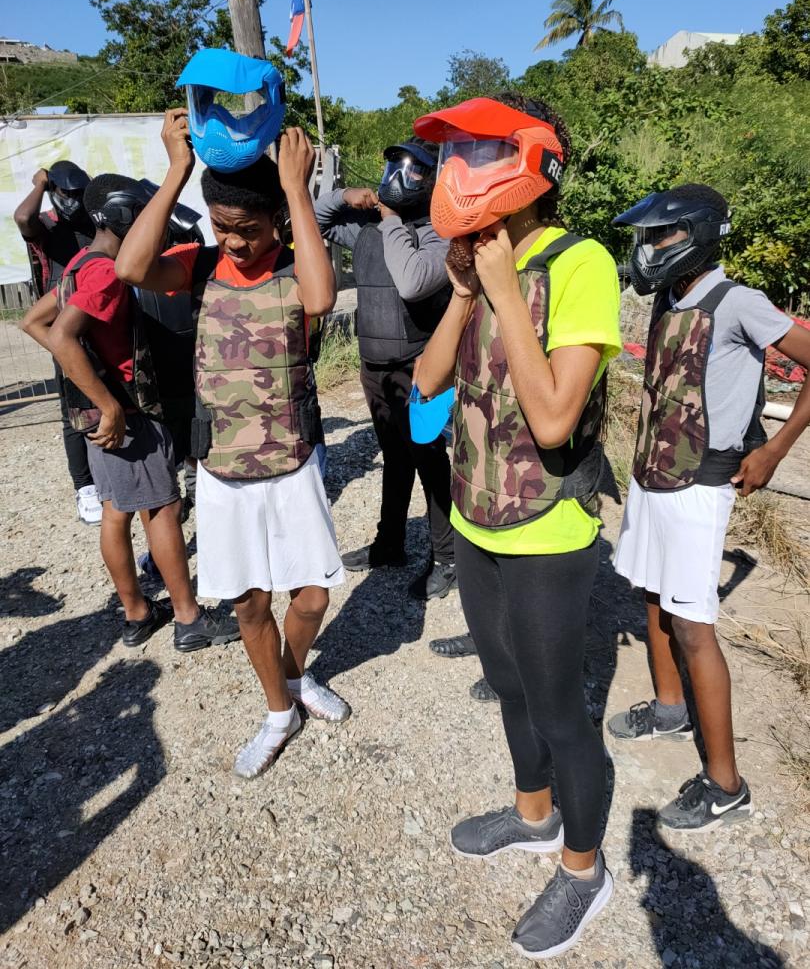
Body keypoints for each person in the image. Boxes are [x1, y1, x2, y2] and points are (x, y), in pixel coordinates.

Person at [415, 93, 621, 959]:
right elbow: (429, 382)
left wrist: (502, 292)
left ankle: (583, 870)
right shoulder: (481, 266)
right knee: (506, 684)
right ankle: (534, 816)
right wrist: (466, 294)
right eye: (456, 153)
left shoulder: (582, 263)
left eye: (481, 151)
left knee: (559, 709)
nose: (460, 168)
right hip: (478, 519)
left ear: (536, 163)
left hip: (546, 529)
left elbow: (554, 420)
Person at [116, 112, 350, 779]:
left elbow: (321, 297)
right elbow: (130, 266)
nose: (236, 241)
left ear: (277, 219)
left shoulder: (296, 263)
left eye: (249, 228)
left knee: (312, 597)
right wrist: (176, 172)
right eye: (223, 227)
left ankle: (294, 676)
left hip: (292, 464)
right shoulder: (201, 267)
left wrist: (296, 189)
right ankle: (278, 712)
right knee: (249, 603)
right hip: (223, 471)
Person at [608, 183, 810, 832]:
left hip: (700, 486)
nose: (650, 248)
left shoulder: (738, 302)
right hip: (652, 477)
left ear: (696, 235)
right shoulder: (670, 297)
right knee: (651, 595)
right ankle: (671, 709)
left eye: (661, 235)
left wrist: (774, 449)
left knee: (694, 626)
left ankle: (726, 784)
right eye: (647, 237)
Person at [20, 174, 240, 654]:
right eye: (144, 213)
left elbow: (34, 320)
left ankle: (137, 613)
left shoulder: (81, 261)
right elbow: (59, 335)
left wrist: (88, 378)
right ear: (122, 215)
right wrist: (108, 402)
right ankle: (189, 620)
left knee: (115, 511)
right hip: (128, 414)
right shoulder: (106, 272)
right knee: (162, 510)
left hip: (98, 418)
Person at [315, 138, 456, 600]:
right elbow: (315, 219)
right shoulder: (369, 229)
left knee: (430, 462)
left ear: (431, 180)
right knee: (395, 458)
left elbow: (413, 283)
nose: (399, 175)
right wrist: (344, 195)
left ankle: (447, 559)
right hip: (373, 366)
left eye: (413, 169)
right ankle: (389, 545)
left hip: (419, 368)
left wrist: (392, 219)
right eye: (395, 165)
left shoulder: (438, 233)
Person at [14, 161, 101, 524]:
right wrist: (40, 184)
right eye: (66, 193)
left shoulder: (95, 223)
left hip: (99, 318)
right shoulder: (46, 227)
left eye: (78, 194)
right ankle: (85, 486)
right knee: (73, 407)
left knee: (108, 394)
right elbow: (23, 218)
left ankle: (111, 470)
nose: (72, 200)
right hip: (61, 325)